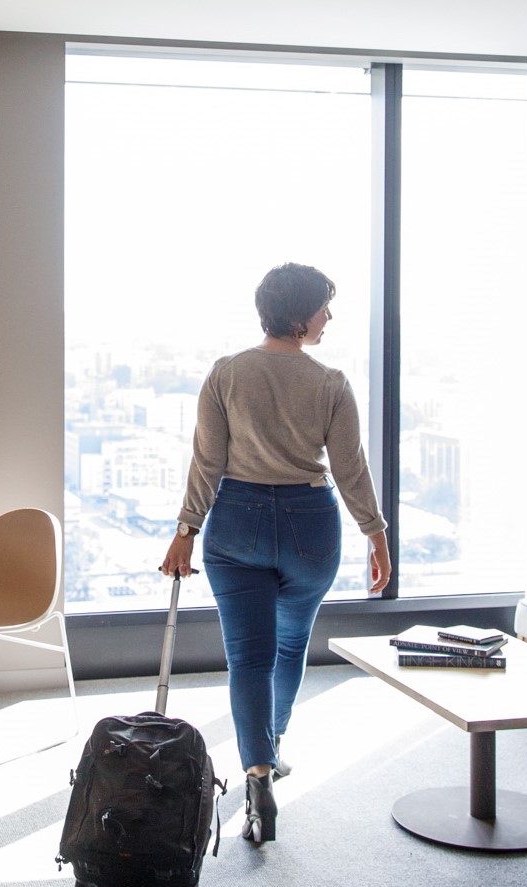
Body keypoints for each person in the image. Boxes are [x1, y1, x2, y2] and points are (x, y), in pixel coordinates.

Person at [160, 262, 391, 845]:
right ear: (297, 316)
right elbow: (349, 467)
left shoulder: (226, 374)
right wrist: (376, 533)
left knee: (249, 659)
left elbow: (207, 461)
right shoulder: (331, 383)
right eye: (324, 307)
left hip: (236, 523)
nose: (329, 317)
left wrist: (186, 529)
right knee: (290, 646)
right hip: (311, 523)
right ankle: (273, 743)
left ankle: (257, 771)